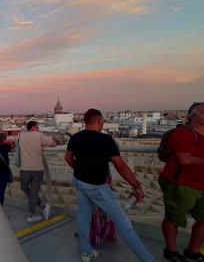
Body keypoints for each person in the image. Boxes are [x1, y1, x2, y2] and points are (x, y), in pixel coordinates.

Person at [65, 109, 156, 262]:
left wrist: (80, 170)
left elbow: (68, 158)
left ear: (85, 121)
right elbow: (121, 166)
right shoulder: (106, 140)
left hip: (79, 181)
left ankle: (86, 253)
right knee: (124, 224)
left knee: (83, 215)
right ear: (99, 121)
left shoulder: (76, 137)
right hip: (97, 187)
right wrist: (137, 186)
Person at [159, 102, 204, 262]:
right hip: (180, 184)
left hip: (200, 184)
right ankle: (171, 251)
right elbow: (183, 159)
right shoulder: (183, 133)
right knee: (173, 218)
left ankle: (193, 250)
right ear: (192, 115)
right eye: (203, 112)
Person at [19, 121, 56, 223]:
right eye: (37, 126)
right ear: (34, 126)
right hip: (37, 169)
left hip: (24, 168)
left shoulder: (21, 135)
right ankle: (42, 207)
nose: (38, 128)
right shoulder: (39, 135)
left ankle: (32, 213)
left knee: (24, 188)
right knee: (34, 192)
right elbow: (53, 144)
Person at [0, 132, 14, 205]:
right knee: (1, 190)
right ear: (4, 139)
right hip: (4, 170)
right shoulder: (6, 146)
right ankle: (0, 206)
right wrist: (8, 142)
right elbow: (13, 146)